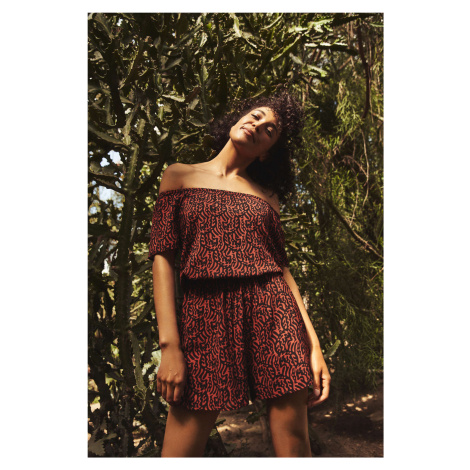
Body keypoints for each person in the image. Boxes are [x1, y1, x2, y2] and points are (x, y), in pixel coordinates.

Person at [148, 91, 331, 457]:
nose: (257, 125)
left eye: (269, 130)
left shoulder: (266, 197)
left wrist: (314, 348)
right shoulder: (180, 175)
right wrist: (170, 347)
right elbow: (162, 258)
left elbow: (282, 271)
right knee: (177, 454)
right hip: (205, 318)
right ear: (237, 119)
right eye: (256, 116)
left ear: (266, 152)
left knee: (295, 445)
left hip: (274, 315)